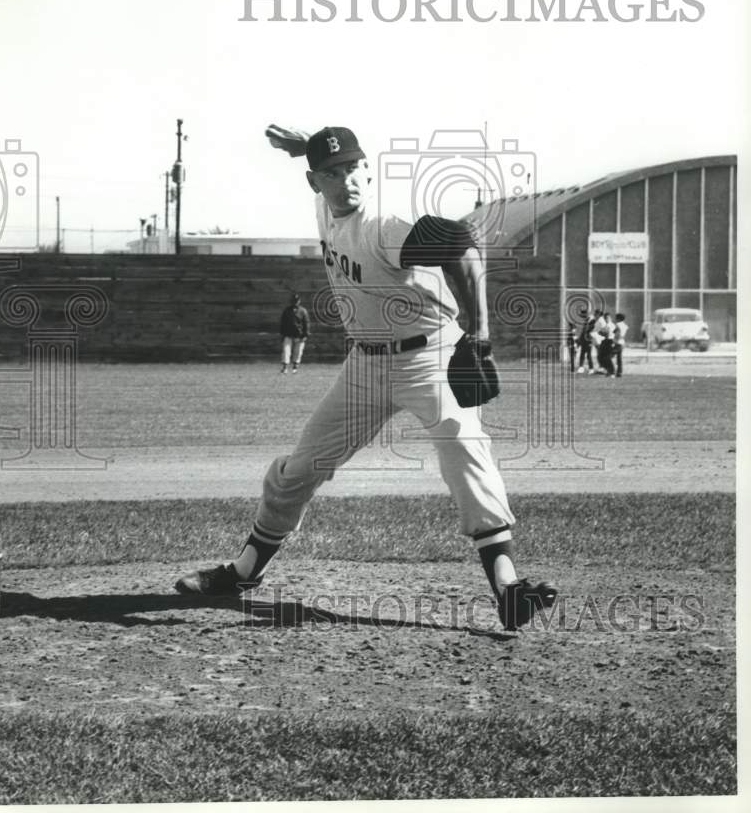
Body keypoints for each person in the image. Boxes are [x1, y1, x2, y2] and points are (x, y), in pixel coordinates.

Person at [175, 125, 557, 630]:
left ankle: (509, 588)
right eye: (334, 172)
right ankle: (243, 573)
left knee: (465, 446)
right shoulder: (323, 208)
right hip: (365, 364)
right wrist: (305, 146)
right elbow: (320, 161)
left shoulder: (384, 224)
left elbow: (461, 245)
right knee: (300, 468)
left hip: (431, 355)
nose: (348, 180)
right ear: (315, 182)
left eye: (354, 167)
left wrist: (481, 334)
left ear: (367, 170)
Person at [279, 293, 310, 374]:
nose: (295, 302)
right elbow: (283, 323)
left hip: (299, 335)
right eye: (293, 301)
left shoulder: (303, 311)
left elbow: (306, 323)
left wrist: (305, 334)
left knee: (298, 351)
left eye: (296, 301)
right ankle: (285, 367)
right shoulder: (287, 311)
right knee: (286, 351)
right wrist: (282, 333)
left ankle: (295, 367)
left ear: (299, 301)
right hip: (288, 334)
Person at [597, 312, 616, 377]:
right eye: (605, 318)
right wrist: (602, 333)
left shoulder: (612, 325)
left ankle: (612, 372)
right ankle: (608, 371)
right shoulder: (605, 325)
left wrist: (602, 333)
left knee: (607, 357)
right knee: (601, 357)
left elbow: (608, 333)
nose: (606, 319)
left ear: (610, 318)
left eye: (607, 318)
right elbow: (600, 332)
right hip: (605, 341)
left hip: (610, 341)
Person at [613, 313, 628, 378]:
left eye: (616, 318)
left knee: (608, 356)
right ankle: (619, 372)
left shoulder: (618, 324)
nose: (615, 319)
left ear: (618, 319)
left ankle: (611, 371)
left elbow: (616, 332)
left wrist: (615, 338)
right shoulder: (625, 325)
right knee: (619, 359)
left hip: (617, 342)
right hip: (622, 342)